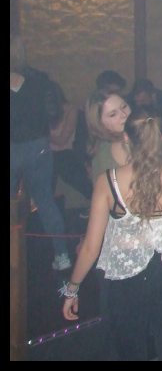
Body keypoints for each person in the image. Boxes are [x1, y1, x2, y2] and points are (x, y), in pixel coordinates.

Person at [61, 112, 162, 361]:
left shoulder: (109, 181)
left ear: (126, 138)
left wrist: (72, 289)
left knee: (130, 349)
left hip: (127, 279)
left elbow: (91, 247)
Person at [10, 33, 71, 271]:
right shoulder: (39, 80)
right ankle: (62, 256)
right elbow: (55, 114)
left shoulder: (39, 80)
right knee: (45, 201)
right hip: (38, 146)